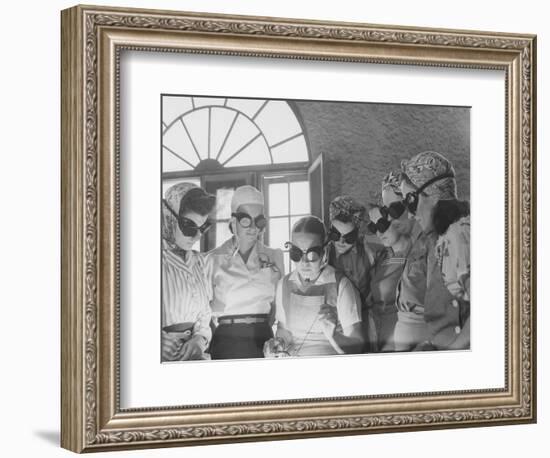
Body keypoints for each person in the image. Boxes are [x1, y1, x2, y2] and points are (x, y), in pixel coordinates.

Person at [265, 216, 364, 357]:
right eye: (297, 254)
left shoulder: (341, 285)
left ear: (324, 252)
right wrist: (278, 344)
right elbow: (284, 330)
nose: (304, 262)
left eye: (312, 254)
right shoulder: (284, 284)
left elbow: (357, 345)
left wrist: (334, 335)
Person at [204, 185, 285, 360]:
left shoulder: (274, 256)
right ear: (233, 221)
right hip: (226, 339)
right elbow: (203, 311)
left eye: (259, 221)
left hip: (263, 338)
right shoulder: (213, 260)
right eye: (246, 220)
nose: (253, 227)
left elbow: (278, 306)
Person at [401, 151, 470, 350]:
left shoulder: (461, 236)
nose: (410, 214)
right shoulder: (434, 240)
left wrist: (450, 352)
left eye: (410, 201)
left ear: (432, 195)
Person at [161, 182, 216, 362]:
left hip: (195, 358)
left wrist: (200, 340)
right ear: (168, 216)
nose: (198, 236)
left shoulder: (198, 262)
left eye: (202, 228)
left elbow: (204, 313)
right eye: (189, 227)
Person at [365, 171, 416, 352]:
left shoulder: (415, 253)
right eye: (375, 227)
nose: (379, 233)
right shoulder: (384, 256)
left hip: (401, 338)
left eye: (383, 225)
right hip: (378, 335)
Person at [326, 195, 378, 350]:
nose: (341, 242)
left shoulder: (369, 253)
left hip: (363, 321)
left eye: (348, 238)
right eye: (335, 235)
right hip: (332, 320)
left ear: (358, 234)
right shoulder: (323, 253)